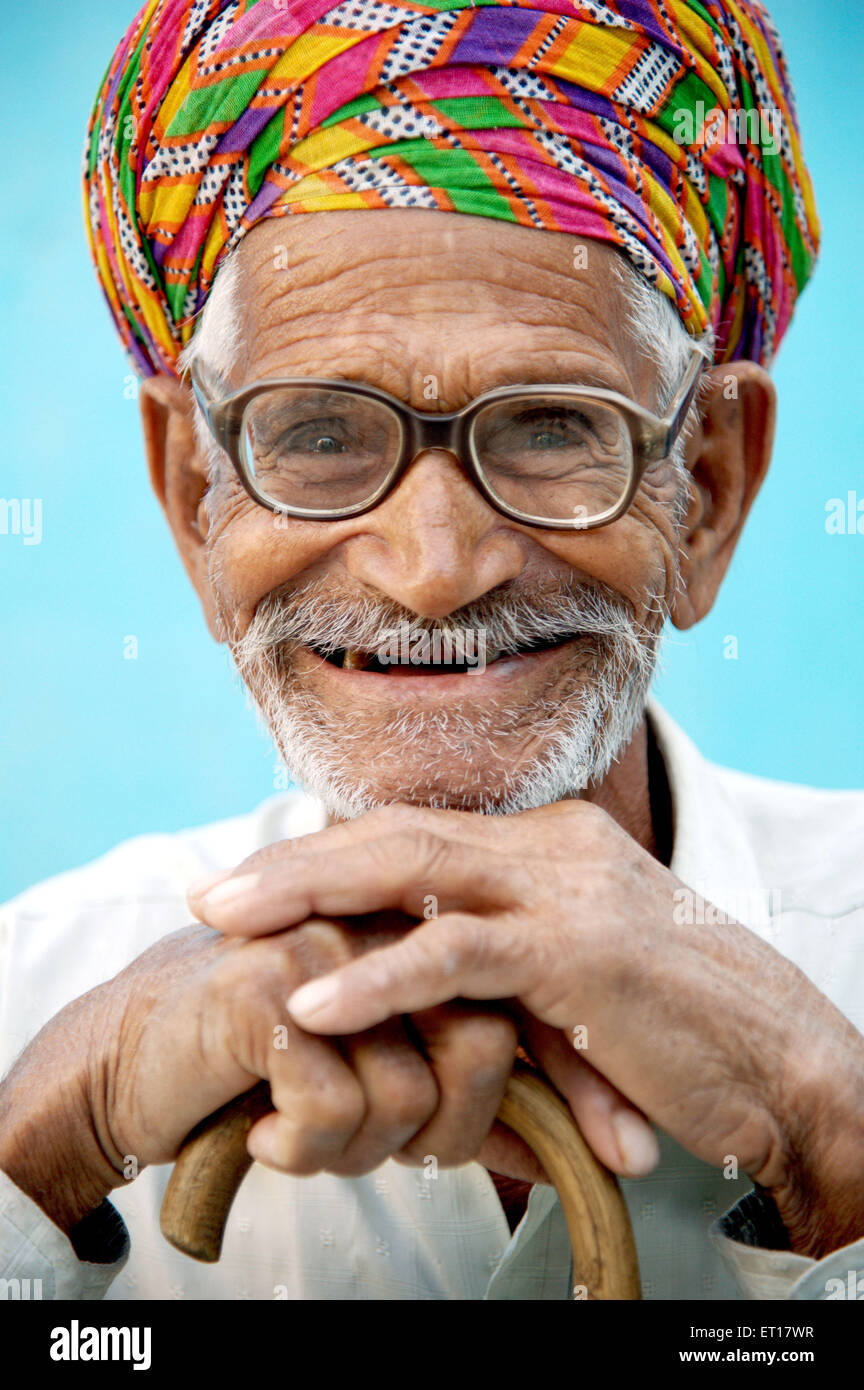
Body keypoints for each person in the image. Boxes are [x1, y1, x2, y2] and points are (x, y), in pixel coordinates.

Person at [1, 0, 861, 1302]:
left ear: (709, 487)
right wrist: (39, 1160)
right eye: (320, 434)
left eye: (554, 426)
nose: (436, 566)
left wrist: (831, 1132)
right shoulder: (33, 1000)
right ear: (193, 497)